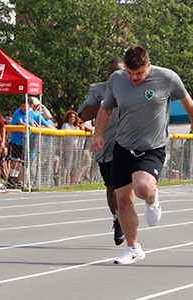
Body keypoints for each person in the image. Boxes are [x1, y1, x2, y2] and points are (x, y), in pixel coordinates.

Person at [91, 45, 193, 264]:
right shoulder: (117, 79)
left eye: (139, 73)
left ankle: (153, 199)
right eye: (130, 73)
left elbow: (186, 99)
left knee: (142, 187)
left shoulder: (167, 77)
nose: (134, 77)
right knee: (122, 202)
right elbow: (106, 109)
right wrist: (98, 134)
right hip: (123, 147)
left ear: (148, 66)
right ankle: (133, 248)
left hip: (152, 148)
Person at [79, 58, 125, 246]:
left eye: (119, 71)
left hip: (128, 142)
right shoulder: (98, 90)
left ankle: (125, 213)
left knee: (126, 185)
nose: (115, 75)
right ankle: (117, 218)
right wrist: (106, 103)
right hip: (105, 145)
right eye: (111, 71)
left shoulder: (133, 86)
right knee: (111, 186)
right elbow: (83, 115)